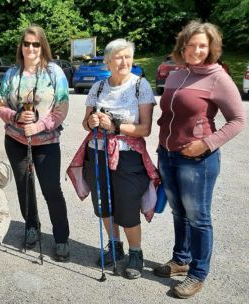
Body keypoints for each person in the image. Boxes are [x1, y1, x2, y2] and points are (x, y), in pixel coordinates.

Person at [155, 21, 245, 298]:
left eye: (202, 45)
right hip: (167, 154)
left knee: (199, 217)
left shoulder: (218, 77)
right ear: (183, 45)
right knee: (179, 212)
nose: (196, 50)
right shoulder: (176, 73)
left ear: (211, 48)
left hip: (197, 160)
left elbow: (238, 120)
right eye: (191, 44)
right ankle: (181, 259)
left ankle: (197, 272)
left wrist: (206, 143)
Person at [71, 38, 159, 279]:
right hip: (97, 152)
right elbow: (85, 122)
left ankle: (136, 253)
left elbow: (145, 129)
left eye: (128, 57)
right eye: (118, 57)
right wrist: (92, 122)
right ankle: (115, 246)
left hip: (128, 156)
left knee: (128, 207)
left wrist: (116, 126)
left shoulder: (140, 86)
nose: (124, 61)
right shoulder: (97, 88)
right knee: (104, 205)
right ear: (108, 62)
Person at [0, 25, 70, 262]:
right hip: (16, 140)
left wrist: (39, 125)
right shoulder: (11, 74)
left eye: (35, 44)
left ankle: (61, 237)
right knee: (25, 187)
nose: (30, 48)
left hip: (46, 142)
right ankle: (31, 226)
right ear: (21, 46)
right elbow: (0, 106)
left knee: (51, 190)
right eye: (26, 43)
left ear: (42, 46)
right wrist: (15, 116)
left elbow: (62, 106)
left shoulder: (54, 72)